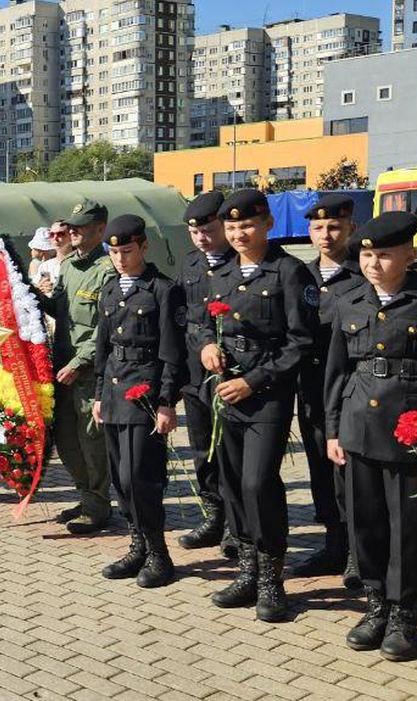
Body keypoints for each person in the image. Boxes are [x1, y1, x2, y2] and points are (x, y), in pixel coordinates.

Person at [199, 189, 318, 622]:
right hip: (226, 392)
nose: (238, 233)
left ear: (267, 223)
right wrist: (206, 347)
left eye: (247, 225)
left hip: (266, 395)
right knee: (231, 482)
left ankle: (271, 578)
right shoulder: (222, 272)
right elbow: (202, 323)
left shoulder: (289, 272)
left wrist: (253, 381)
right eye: (231, 227)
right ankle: (247, 569)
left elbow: (299, 342)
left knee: (257, 482)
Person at [325, 210, 417, 662]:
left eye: (384, 255)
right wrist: (333, 430)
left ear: (410, 254)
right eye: (367, 254)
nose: (373, 264)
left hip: (408, 432)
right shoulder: (350, 302)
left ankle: (405, 612)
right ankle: (375, 604)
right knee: (366, 522)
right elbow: (337, 373)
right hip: (359, 427)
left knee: (406, 527)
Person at [92, 215, 186, 587]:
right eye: (114, 252)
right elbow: (103, 347)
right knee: (120, 478)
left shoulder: (162, 289)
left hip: (145, 393)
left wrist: (166, 401)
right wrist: (99, 395)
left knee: (141, 477)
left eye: (127, 251)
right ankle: (138, 546)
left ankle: (159, 553)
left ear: (143, 247)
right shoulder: (110, 289)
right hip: (115, 393)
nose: (120, 258)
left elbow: (171, 352)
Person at [292, 195, 365, 584]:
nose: (325, 234)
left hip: (352, 392)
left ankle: (357, 550)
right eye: (318, 228)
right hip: (312, 390)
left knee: (350, 475)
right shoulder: (301, 275)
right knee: (320, 472)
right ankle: (334, 546)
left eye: (334, 227)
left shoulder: (362, 274)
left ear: (350, 227)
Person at [37, 204, 116, 534]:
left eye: (81, 227)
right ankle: (86, 497)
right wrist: (29, 295)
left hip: (87, 372)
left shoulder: (106, 270)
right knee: (67, 441)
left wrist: (79, 362)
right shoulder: (67, 266)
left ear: (100, 229)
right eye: (71, 227)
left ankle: (98, 505)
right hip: (62, 368)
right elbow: (60, 309)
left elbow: (105, 327)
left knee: (91, 443)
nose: (73, 233)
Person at [176, 191, 237, 554]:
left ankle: (236, 523)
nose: (202, 238)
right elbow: (187, 318)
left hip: (233, 374)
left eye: (208, 230)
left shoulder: (240, 262)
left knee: (231, 451)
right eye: (194, 232)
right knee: (203, 450)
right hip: (197, 375)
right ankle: (213, 515)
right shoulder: (190, 265)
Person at [36, 221, 72, 292]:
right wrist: (40, 288)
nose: (55, 238)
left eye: (60, 234)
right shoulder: (45, 266)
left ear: (71, 236)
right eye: (51, 234)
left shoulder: (80, 264)